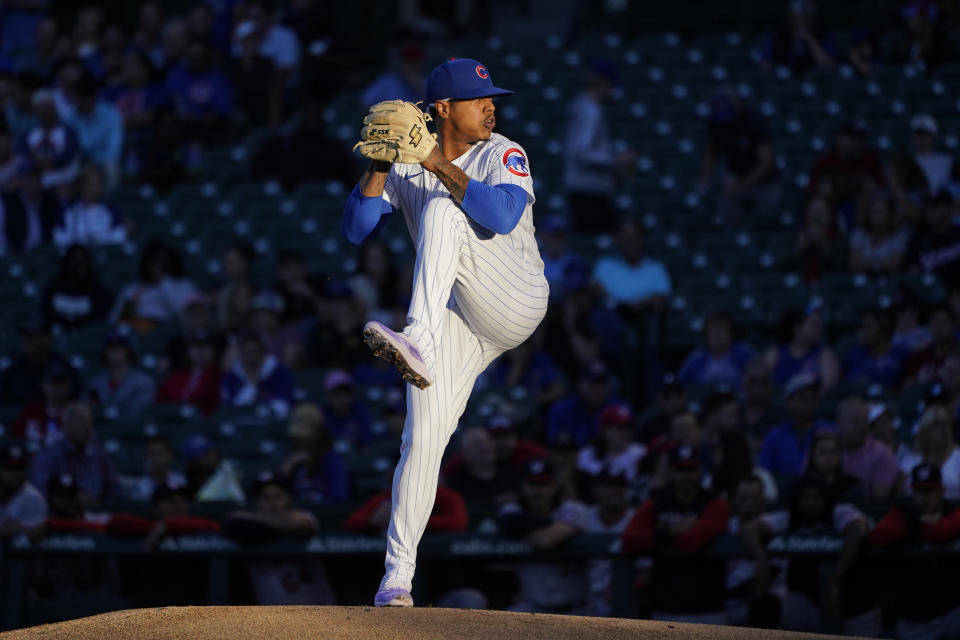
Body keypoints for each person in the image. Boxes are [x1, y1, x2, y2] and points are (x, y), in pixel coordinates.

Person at [342, 58, 550, 607]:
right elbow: (356, 229)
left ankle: (419, 339)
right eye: (478, 98)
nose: (491, 106)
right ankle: (397, 579)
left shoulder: (503, 151)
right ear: (442, 109)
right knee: (420, 442)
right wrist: (382, 164)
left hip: (514, 294)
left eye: (492, 97)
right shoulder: (410, 162)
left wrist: (433, 161)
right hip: (458, 316)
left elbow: (501, 216)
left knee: (446, 210)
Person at [742, 476, 878, 635]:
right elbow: (749, 528)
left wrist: (836, 578)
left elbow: (857, 532)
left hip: (854, 606)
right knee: (764, 606)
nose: (813, 502)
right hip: (808, 603)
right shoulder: (791, 517)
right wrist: (760, 557)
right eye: (806, 497)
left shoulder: (841, 511)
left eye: (818, 497)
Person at [621, 446, 731, 624]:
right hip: (665, 608)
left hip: (708, 609)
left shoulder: (715, 503)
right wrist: (672, 531)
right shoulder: (656, 503)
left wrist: (660, 535)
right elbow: (628, 540)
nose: (686, 476)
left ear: (700, 471)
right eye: (681, 470)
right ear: (671, 472)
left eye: (691, 469)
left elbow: (691, 543)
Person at [870, 463, 960, 640]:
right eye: (920, 492)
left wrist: (916, 526)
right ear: (912, 492)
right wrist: (914, 523)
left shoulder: (953, 510)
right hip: (914, 617)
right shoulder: (902, 512)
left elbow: (944, 532)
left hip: (952, 611)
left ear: (941, 490)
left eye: (930, 491)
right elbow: (877, 536)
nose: (925, 497)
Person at [224, 472, 334, 606]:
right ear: (256, 502)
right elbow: (231, 523)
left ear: (288, 499)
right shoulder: (245, 528)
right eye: (265, 498)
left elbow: (299, 524)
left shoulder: (304, 515)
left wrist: (254, 518)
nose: (273, 503)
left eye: (278, 496)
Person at [497, 459, 591, 615]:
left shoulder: (573, 509)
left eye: (543, 485)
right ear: (522, 487)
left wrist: (523, 531)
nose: (537, 491)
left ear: (555, 486)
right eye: (532, 485)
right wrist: (546, 525)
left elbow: (546, 541)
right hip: (533, 608)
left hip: (578, 610)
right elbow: (507, 522)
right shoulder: (512, 509)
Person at [562, 58, 633, 234]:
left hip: (583, 188)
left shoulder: (581, 104)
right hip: (590, 191)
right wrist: (617, 160)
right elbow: (582, 153)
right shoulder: (591, 110)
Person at [697, 87, 781, 223]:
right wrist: (705, 178)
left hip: (765, 181)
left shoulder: (754, 121)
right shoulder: (717, 122)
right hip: (735, 176)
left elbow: (766, 161)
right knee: (726, 215)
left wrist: (742, 184)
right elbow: (711, 151)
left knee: (766, 221)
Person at [29, 401, 115, 508]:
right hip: (60, 515)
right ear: (67, 425)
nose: (88, 428)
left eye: (90, 423)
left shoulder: (99, 453)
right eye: (83, 423)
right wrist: (72, 499)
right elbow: (39, 491)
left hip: (95, 515)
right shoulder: (50, 454)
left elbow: (113, 489)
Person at [582, 466, 636, 617]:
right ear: (596, 490)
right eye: (609, 486)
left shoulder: (636, 519)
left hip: (626, 599)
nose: (615, 491)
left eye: (620, 486)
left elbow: (645, 571)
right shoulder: (584, 518)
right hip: (586, 600)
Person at [758, 372, 835, 476]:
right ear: (789, 402)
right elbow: (764, 475)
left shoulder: (830, 432)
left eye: (813, 397)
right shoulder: (774, 437)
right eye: (803, 398)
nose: (809, 403)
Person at [110, 240, 198, 331]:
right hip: (138, 330)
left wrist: (163, 281)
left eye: (162, 262)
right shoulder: (133, 289)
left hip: (167, 330)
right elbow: (117, 319)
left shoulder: (183, 284)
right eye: (154, 262)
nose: (157, 266)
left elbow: (182, 311)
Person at [279, 402, 350, 504]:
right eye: (296, 438)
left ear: (318, 435)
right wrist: (285, 471)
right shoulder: (291, 460)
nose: (299, 443)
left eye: (304, 438)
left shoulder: (332, 461)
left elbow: (339, 500)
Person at [834, 396, 900, 501]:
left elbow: (878, 501)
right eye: (856, 422)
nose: (861, 427)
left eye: (864, 422)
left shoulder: (882, 453)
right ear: (840, 422)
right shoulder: (828, 448)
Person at [63, 73, 123, 187]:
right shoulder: (72, 118)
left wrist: (96, 163)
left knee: (111, 168)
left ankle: (108, 203)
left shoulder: (111, 114)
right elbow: (71, 146)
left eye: (77, 98)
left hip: (105, 161)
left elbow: (114, 149)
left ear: (87, 98)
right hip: (81, 161)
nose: (74, 102)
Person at [220, 330, 294, 417]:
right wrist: (251, 385)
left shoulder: (280, 373)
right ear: (241, 354)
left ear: (264, 353)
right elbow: (231, 410)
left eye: (255, 352)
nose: (251, 357)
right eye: (247, 352)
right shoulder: (232, 376)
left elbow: (283, 406)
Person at [763, 307, 840, 390]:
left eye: (820, 326)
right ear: (797, 329)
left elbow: (828, 388)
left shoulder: (825, 354)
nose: (820, 331)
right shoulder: (776, 352)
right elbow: (761, 382)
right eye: (814, 326)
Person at [40, 244, 113, 330]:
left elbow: (99, 325)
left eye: (84, 261)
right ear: (66, 262)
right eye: (76, 260)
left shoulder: (100, 293)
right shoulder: (52, 289)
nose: (81, 265)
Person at [17, 88, 80, 189]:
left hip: (62, 179)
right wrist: (37, 163)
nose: (45, 111)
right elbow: (23, 154)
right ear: (35, 110)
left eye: (47, 107)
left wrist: (50, 162)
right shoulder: (27, 134)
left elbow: (70, 154)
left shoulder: (69, 132)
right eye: (41, 107)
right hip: (35, 181)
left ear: (54, 107)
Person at [52, 165, 127, 249]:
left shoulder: (112, 209)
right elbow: (58, 237)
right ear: (82, 185)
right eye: (94, 183)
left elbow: (119, 236)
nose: (98, 187)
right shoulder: (68, 209)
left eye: (100, 183)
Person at [87, 333, 157, 422]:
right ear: (105, 352)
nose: (115, 353)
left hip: (132, 430)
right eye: (112, 349)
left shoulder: (143, 381)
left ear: (128, 352)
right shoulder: (96, 382)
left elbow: (139, 411)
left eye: (119, 349)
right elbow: (88, 408)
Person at [546, 361, 617, 446]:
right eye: (593, 384)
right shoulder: (561, 410)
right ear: (580, 384)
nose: (599, 390)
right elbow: (554, 443)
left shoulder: (618, 409)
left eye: (602, 384)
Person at [678, 313, 756, 390]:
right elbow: (681, 385)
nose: (717, 335)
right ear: (706, 335)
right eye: (713, 331)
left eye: (722, 330)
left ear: (730, 333)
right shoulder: (696, 359)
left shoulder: (745, 353)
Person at [899, 404, 960, 500]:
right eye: (937, 425)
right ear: (925, 430)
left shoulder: (958, 458)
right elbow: (900, 498)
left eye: (946, 424)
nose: (944, 430)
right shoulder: (909, 460)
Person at [154, 330, 221, 416]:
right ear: (189, 350)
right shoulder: (175, 377)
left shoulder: (220, 377)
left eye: (205, 347)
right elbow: (158, 404)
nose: (201, 351)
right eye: (196, 347)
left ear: (213, 351)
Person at [760, 0, 837, 74]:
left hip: (815, 80)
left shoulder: (824, 35)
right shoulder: (777, 36)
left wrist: (809, 39)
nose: (803, 21)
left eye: (808, 17)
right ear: (791, 17)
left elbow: (828, 65)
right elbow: (765, 65)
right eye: (799, 16)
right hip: (782, 81)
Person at [841, 308, 910, 390]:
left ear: (885, 330)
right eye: (862, 327)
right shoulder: (854, 354)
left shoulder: (901, 355)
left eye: (869, 327)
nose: (864, 332)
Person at [576, 403, 646, 483]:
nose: (626, 432)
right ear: (605, 431)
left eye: (629, 427)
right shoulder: (586, 455)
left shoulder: (641, 453)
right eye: (620, 428)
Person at [12, 361, 74, 448]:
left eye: (61, 383)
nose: (57, 388)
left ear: (69, 386)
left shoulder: (76, 412)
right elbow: (16, 441)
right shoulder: (30, 411)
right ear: (43, 385)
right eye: (53, 383)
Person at [849, 193, 910, 275]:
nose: (878, 216)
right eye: (875, 212)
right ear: (869, 213)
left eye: (882, 212)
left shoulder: (899, 235)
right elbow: (855, 263)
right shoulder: (859, 234)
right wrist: (880, 264)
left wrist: (867, 264)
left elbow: (894, 265)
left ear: (889, 214)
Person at [118, 436, 187, 503]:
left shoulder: (181, 482)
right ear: (146, 457)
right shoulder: (139, 486)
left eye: (160, 453)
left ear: (169, 455)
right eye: (151, 454)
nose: (156, 458)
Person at [805, 430, 866, 504]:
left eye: (833, 451)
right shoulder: (802, 487)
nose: (828, 456)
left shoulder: (852, 487)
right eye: (822, 452)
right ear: (812, 456)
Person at [0, 445, 47, 538]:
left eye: (19, 469)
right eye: (9, 469)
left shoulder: (34, 499)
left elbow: (33, 534)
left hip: (17, 552)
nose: (15, 474)